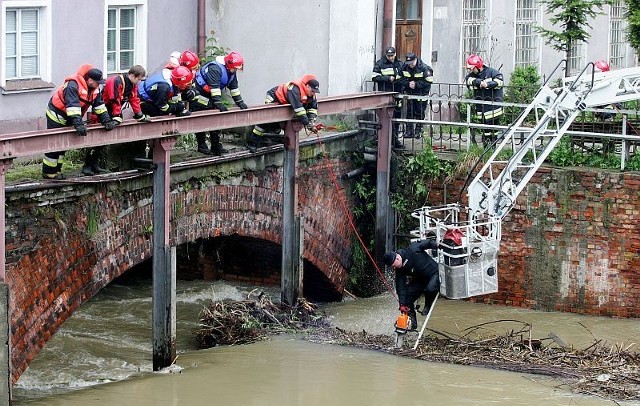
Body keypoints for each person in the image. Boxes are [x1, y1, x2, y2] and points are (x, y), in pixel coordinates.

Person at [42, 64, 117, 180]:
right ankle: (48, 173)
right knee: (55, 144)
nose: (99, 85)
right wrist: (78, 124)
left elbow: (100, 106)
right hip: (56, 115)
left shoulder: (95, 89)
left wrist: (106, 120)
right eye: (98, 82)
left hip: (70, 117)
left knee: (62, 146)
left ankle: (56, 171)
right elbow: (73, 106)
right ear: (90, 80)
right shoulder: (72, 85)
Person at [82, 65, 149, 176]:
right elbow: (114, 100)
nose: (139, 82)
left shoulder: (132, 85)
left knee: (103, 141)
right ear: (132, 75)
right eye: (138, 79)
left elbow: (134, 99)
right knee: (96, 140)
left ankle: (94, 164)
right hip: (101, 112)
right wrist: (117, 116)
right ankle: (87, 165)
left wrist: (139, 115)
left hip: (111, 111)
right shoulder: (116, 81)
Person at [190, 51, 248, 156]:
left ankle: (216, 146)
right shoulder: (215, 68)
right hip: (200, 95)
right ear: (229, 64)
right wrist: (218, 103)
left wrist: (240, 102)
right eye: (235, 68)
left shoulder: (231, 72)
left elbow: (234, 88)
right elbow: (215, 87)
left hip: (211, 95)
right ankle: (202, 145)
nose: (236, 70)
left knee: (216, 120)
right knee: (200, 120)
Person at [246, 74, 320, 153]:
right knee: (266, 121)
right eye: (312, 91)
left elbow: (313, 108)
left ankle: (269, 139)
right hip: (274, 97)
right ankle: (252, 143)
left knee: (277, 125)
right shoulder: (295, 90)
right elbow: (299, 110)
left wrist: (312, 121)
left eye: (315, 92)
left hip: (284, 101)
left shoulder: (311, 95)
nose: (313, 93)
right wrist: (308, 124)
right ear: (307, 86)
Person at [383, 238, 440, 330]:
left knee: (430, 289)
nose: (394, 267)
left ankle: (427, 306)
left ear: (397, 257)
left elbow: (427, 243)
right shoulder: (399, 269)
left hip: (434, 274)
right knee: (406, 300)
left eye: (394, 265)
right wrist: (402, 304)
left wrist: (435, 244)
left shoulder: (413, 249)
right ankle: (413, 324)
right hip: (420, 280)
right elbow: (400, 287)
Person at [464, 54, 504, 144]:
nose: (470, 70)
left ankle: (491, 150)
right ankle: (487, 151)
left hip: (494, 109)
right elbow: (469, 81)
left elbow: (500, 82)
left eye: (472, 68)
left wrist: (488, 84)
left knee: (493, 132)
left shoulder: (492, 72)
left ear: (478, 66)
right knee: (485, 133)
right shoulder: (472, 76)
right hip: (482, 109)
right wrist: (480, 83)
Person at [372, 46, 404, 149]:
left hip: (397, 95)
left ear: (395, 54)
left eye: (392, 55)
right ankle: (383, 140)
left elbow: (403, 76)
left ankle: (394, 140)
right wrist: (387, 78)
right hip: (385, 95)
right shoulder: (380, 63)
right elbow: (374, 77)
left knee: (396, 119)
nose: (390, 57)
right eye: (388, 56)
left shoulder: (399, 64)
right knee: (385, 119)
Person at [399, 52, 433, 139]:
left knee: (420, 113)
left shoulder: (424, 68)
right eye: (408, 64)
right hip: (410, 94)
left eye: (411, 63)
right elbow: (400, 79)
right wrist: (407, 84)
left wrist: (416, 84)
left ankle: (418, 131)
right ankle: (408, 131)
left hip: (422, 94)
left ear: (415, 60)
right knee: (409, 113)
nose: (410, 65)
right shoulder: (404, 67)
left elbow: (429, 81)